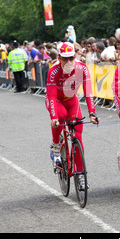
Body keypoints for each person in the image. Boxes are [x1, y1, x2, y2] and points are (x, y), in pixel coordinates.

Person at [45, 42, 99, 189]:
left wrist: (92, 113)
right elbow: (50, 96)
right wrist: (54, 118)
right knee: (61, 118)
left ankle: (81, 175)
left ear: (74, 56)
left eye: (71, 58)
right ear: (59, 58)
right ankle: (56, 144)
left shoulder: (82, 68)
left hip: (72, 101)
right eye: (65, 59)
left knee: (78, 137)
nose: (68, 62)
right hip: (56, 101)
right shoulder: (53, 71)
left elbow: (88, 92)